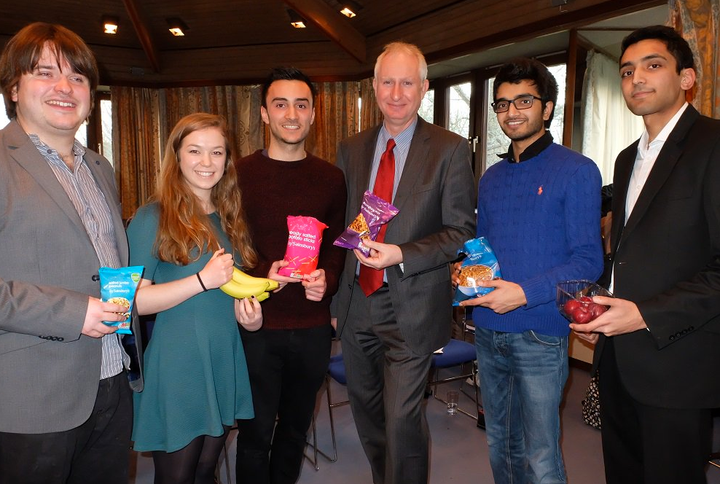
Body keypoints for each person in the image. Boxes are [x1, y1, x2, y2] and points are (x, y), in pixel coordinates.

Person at [571, 25, 720, 484]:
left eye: (653, 66)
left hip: (678, 362)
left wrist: (643, 315)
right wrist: (602, 305)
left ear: (688, 77)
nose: (637, 78)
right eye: (627, 70)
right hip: (618, 361)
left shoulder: (713, 145)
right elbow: (632, 253)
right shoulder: (624, 158)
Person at [0, 22, 142, 484]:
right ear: (14, 88)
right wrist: (71, 310)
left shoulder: (100, 167)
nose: (64, 87)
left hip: (112, 379)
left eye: (77, 77)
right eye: (45, 72)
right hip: (32, 398)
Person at [332, 42, 476, 484]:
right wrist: (337, 304)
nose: (397, 93)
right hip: (357, 304)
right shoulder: (351, 148)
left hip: (412, 305)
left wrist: (401, 254)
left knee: (401, 421)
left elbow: (461, 233)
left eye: (407, 82)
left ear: (424, 88)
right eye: (388, 81)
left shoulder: (450, 149)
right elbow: (343, 225)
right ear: (374, 86)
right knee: (369, 417)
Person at [457, 57, 603, 484]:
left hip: (539, 331)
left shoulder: (577, 170)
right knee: (499, 443)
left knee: (541, 455)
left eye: (523, 100)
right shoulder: (491, 177)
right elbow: (484, 252)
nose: (511, 112)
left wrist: (521, 292)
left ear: (548, 107)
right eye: (501, 104)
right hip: (487, 326)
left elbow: (587, 261)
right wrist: (466, 273)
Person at [127, 113, 261, 484]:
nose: (207, 162)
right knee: (177, 478)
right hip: (179, 365)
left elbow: (225, 295)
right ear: (177, 156)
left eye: (216, 152)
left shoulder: (227, 217)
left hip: (222, 355)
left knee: (205, 472)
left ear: (227, 160)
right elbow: (132, 303)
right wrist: (201, 280)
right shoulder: (152, 217)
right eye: (195, 151)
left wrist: (250, 318)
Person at [234, 67, 347, 484]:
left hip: (312, 327)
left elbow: (338, 247)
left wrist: (327, 281)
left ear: (314, 113)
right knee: (255, 434)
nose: (292, 114)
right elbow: (228, 246)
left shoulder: (331, 178)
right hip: (257, 325)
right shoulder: (238, 175)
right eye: (280, 104)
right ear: (264, 114)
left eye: (301, 104)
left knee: (295, 432)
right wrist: (265, 272)